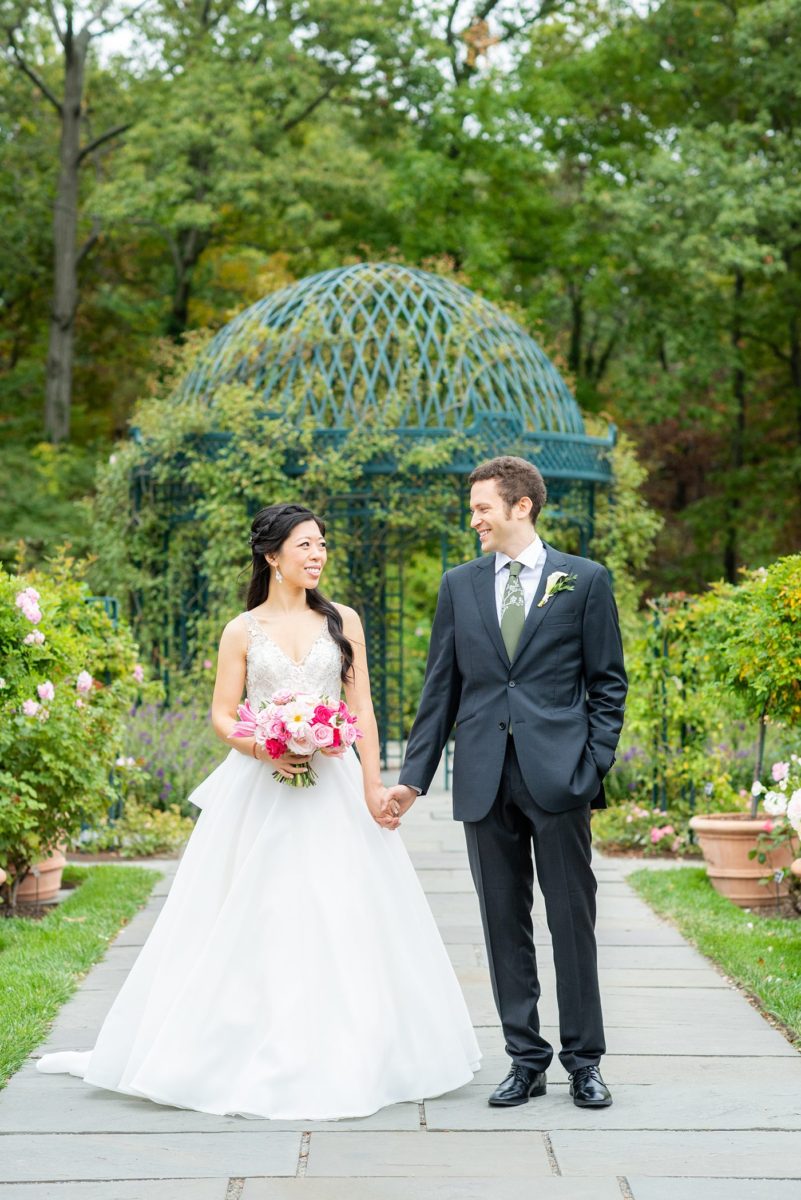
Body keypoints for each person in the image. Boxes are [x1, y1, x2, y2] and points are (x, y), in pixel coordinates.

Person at [37, 502, 479, 1120]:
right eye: (305, 545)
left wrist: (373, 789)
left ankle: (354, 1047)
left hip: (334, 785)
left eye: (322, 544)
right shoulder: (242, 630)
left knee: (341, 911)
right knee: (255, 909)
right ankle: (237, 1042)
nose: (318, 555)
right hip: (260, 787)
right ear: (272, 556)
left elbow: (364, 715)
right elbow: (222, 715)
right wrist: (265, 745)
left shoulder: (343, 621)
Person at [384, 456, 627, 1109]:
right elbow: (440, 691)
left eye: (482, 508)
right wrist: (412, 778)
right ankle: (525, 1058)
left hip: (560, 777)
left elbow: (607, 685)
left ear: (521, 506)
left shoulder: (583, 581)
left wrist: (592, 762)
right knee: (501, 923)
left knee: (571, 919)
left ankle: (583, 1062)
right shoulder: (459, 586)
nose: (474, 521)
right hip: (484, 780)